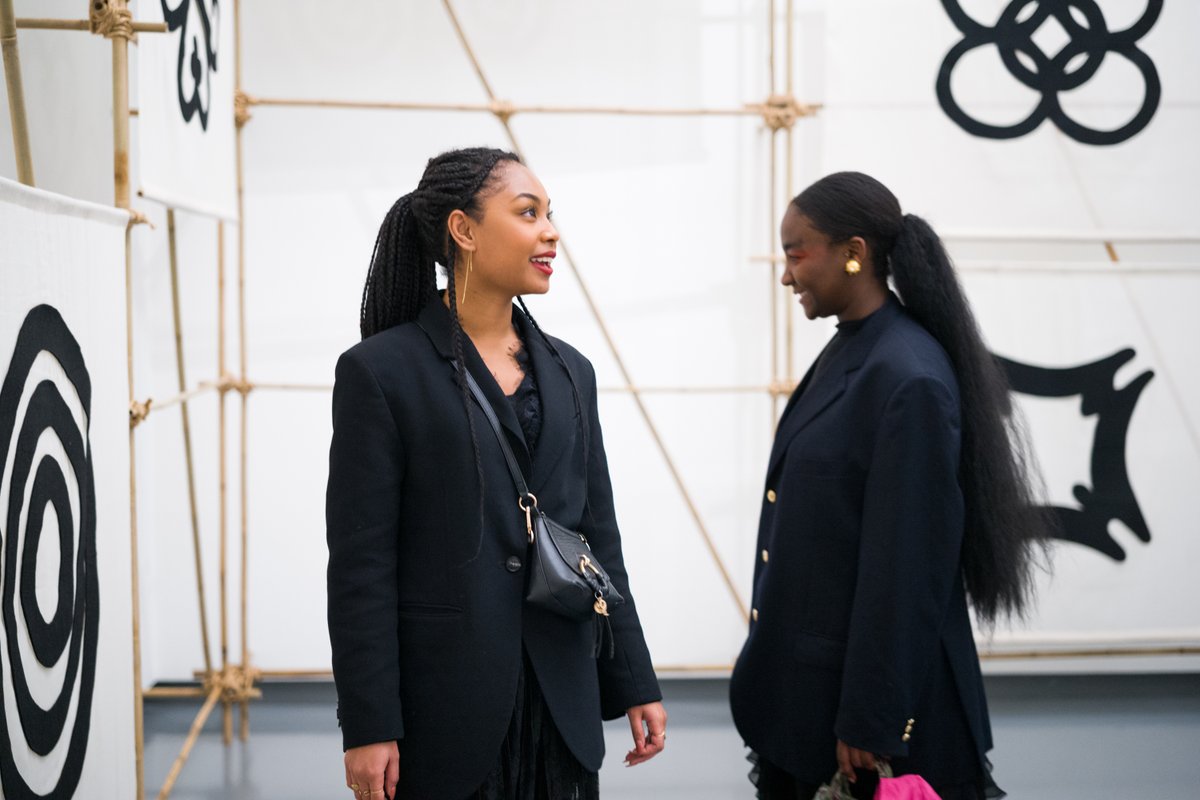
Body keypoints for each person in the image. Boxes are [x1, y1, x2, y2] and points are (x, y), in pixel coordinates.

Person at [326, 147, 666, 800]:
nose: (550, 231)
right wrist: (368, 724)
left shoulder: (572, 372)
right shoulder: (380, 372)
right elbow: (361, 566)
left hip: (561, 702)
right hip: (444, 711)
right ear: (464, 230)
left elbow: (598, 538)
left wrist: (636, 680)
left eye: (550, 214)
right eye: (527, 212)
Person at [729, 172, 1053, 800]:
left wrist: (872, 719)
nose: (787, 274)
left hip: (875, 725)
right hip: (817, 694)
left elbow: (908, 567)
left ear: (853, 252)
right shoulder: (859, 351)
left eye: (797, 253)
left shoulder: (908, 376)